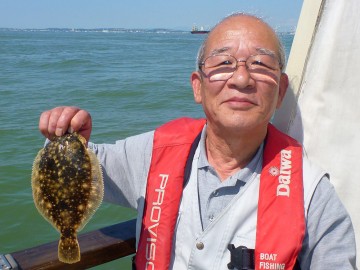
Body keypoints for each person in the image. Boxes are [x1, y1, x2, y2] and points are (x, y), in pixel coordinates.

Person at [38, 13, 356, 270]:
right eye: (223, 64)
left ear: (280, 91)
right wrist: (66, 136)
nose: (242, 79)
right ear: (198, 87)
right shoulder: (149, 154)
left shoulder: (313, 196)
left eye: (260, 64)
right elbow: (81, 173)